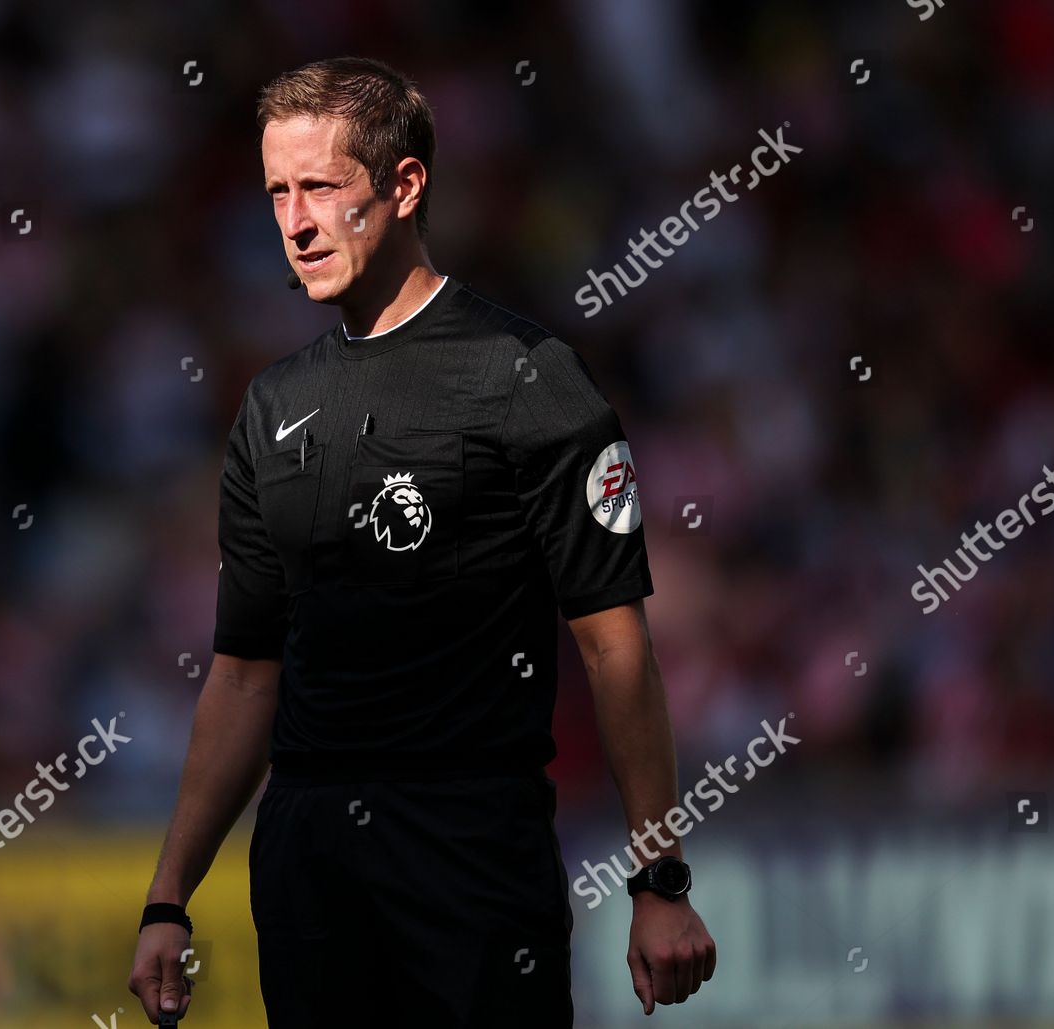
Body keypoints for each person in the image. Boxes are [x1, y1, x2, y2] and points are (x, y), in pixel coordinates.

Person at [129, 56, 715, 1027]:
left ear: (404, 187)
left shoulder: (529, 381)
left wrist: (659, 879)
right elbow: (243, 674)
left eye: (322, 187)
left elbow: (616, 647)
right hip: (308, 862)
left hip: (471, 852)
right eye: (278, 192)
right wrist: (167, 899)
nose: (297, 220)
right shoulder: (273, 406)